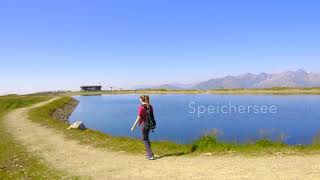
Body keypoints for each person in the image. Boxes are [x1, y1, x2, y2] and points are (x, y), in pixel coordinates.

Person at [131, 95, 155, 160]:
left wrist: (133, 126)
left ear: (141, 100)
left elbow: (138, 118)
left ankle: (150, 155)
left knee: (145, 139)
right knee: (146, 138)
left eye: (139, 99)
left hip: (143, 125)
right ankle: (148, 152)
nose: (139, 100)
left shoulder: (141, 107)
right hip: (149, 125)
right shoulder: (150, 106)